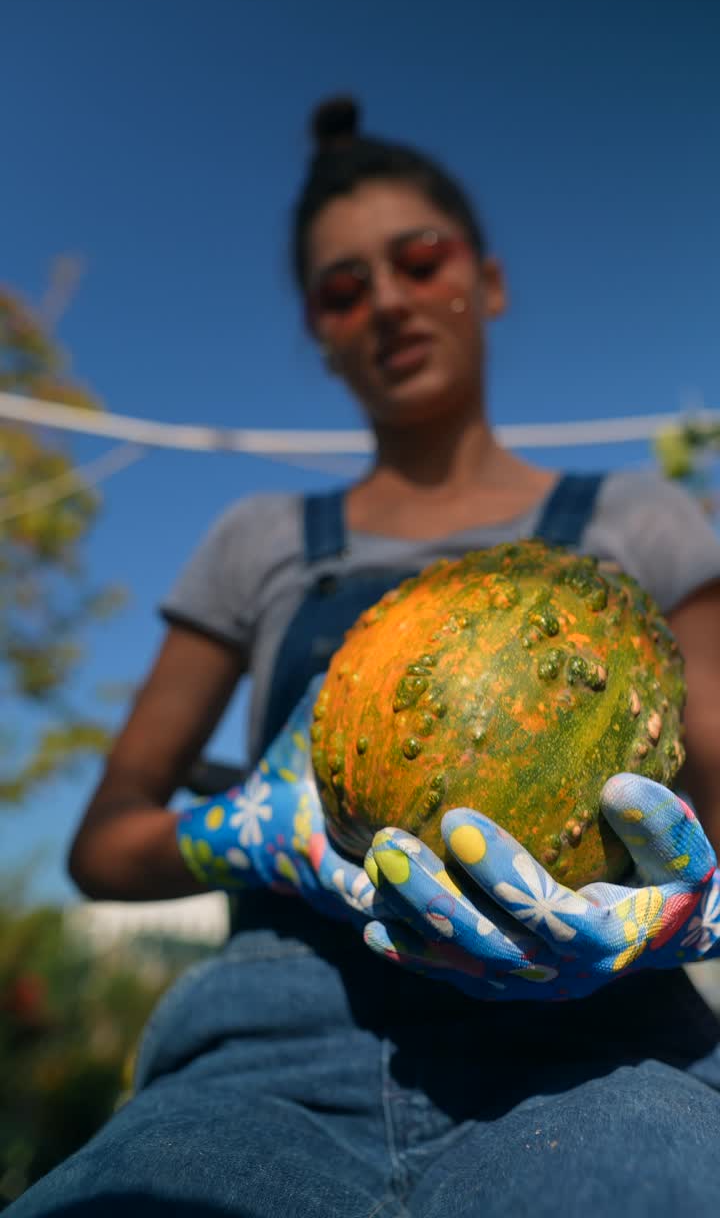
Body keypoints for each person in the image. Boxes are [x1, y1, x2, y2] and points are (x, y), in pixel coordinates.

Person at [9, 97, 720, 1217]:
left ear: (486, 280)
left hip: (599, 1045)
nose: (387, 299)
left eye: (418, 259)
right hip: (271, 1047)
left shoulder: (642, 518)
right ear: (322, 331)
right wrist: (236, 835)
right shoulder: (258, 539)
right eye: (344, 288)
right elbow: (103, 844)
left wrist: (691, 900)